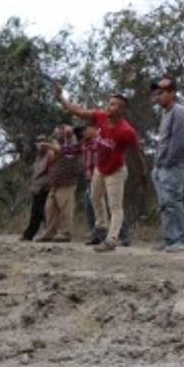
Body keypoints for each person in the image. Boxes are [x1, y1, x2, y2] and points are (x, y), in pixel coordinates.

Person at [54, 87, 147, 252]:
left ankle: (111, 240)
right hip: (100, 168)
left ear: (121, 109)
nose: (108, 107)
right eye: (109, 103)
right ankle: (101, 227)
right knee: (94, 197)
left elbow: (136, 155)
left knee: (115, 207)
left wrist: (142, 174)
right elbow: (79, 111)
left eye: (113, 105)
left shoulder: (127, 131)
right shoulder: (101, 117)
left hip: (116, 171)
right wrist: (62, 100)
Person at [149, 77, 184, 252]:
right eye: (155, 94)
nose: (157, 97)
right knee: (164, 203)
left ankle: (183, 239)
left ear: (172, 93)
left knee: (172, 200)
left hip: (173, 165)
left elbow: (179, 141)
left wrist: (167, 163)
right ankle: (170, 239)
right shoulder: (165, 113)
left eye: (161, 93)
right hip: (160, 166)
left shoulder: (179, 111)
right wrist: (157, 165)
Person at [36, 125, 83, 242]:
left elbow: (63, 147)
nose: (59, 134)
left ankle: (66, 233)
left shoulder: (72, 144)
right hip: (54, 183)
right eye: (57, 133)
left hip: (67, 182)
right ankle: (49, 232)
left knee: (66, 209)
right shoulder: (54, 146)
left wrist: (48, 144)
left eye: (61, 132)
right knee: (50, 209)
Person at [22, 136, 52, 241]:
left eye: (43, 141)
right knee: (36, 212)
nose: (41, 144)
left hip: (44, 188)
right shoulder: (38, 157)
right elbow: (35, 173)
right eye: (38, 142)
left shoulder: (49, 154)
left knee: (43, 212)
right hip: (37, 188)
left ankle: (46, 233)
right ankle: (30, 234)